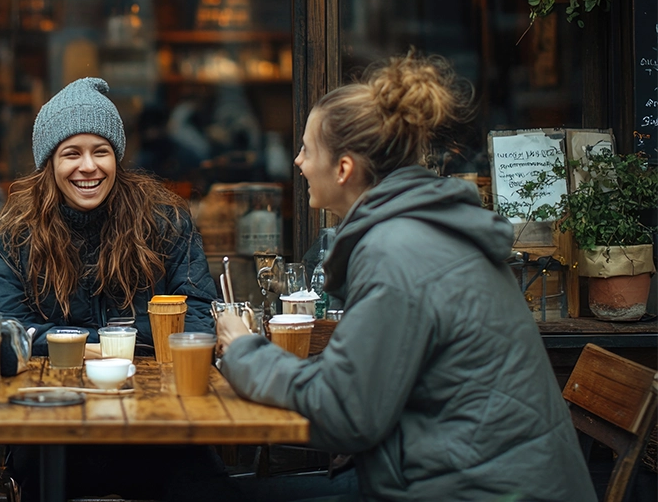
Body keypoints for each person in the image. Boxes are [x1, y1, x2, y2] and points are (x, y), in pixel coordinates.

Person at [216, 53, 595, 502]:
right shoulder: (418, 230)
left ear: (344, 168)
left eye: (306, 149)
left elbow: (346, 412)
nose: (297, 162)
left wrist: (243, 350)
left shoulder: (396, 250)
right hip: (473, 476)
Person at [0, 77, 228, 502]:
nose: (89, 167)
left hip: (161, 421)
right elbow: (7, 336)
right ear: (49, 163)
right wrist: (125, 344)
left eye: (101, 152)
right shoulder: (14, 236)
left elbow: (202, 317)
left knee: (205, 485)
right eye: (71, 153)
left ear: (117, 157)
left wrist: (72, 342)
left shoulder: (165, 221)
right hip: (52, 424)